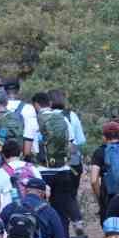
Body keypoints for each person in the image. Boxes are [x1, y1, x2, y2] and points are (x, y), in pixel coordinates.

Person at [32, 91, 83, 229]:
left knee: (41, 209)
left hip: (42, 171)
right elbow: (73, 145)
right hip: (63, 170)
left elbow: (28, 149)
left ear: (36, 105)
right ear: (49, 103)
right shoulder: (64, 119)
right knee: (61, 210)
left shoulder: (35, 120)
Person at [0, 138, 37, 213]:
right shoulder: (32, 168)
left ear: (3, 154)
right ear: (21, 153)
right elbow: (44, 190)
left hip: (10, 215)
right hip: (33, 213)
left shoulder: (0, 172)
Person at [3, 79, 38, 159]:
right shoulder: (28, 108)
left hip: (3, 154)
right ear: (18, 91)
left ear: (4, 91)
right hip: (21, 154)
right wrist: (27, 156)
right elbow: (31, 133)